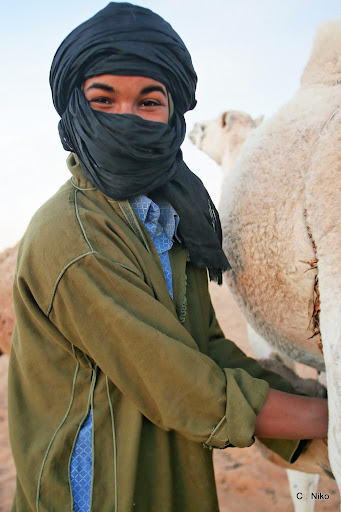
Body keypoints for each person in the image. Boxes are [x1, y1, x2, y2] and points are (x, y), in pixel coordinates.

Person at [8, 3, 328, 512]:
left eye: (149, 102)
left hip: (169, 476)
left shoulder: (171, 222)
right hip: (97, 491)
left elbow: (205, 350)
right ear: (75, 109)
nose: (127, 119)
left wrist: (315, 400)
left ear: (173, 114)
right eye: (103, 100)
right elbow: (183, 388)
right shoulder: (74, 239)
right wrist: (329, 423)